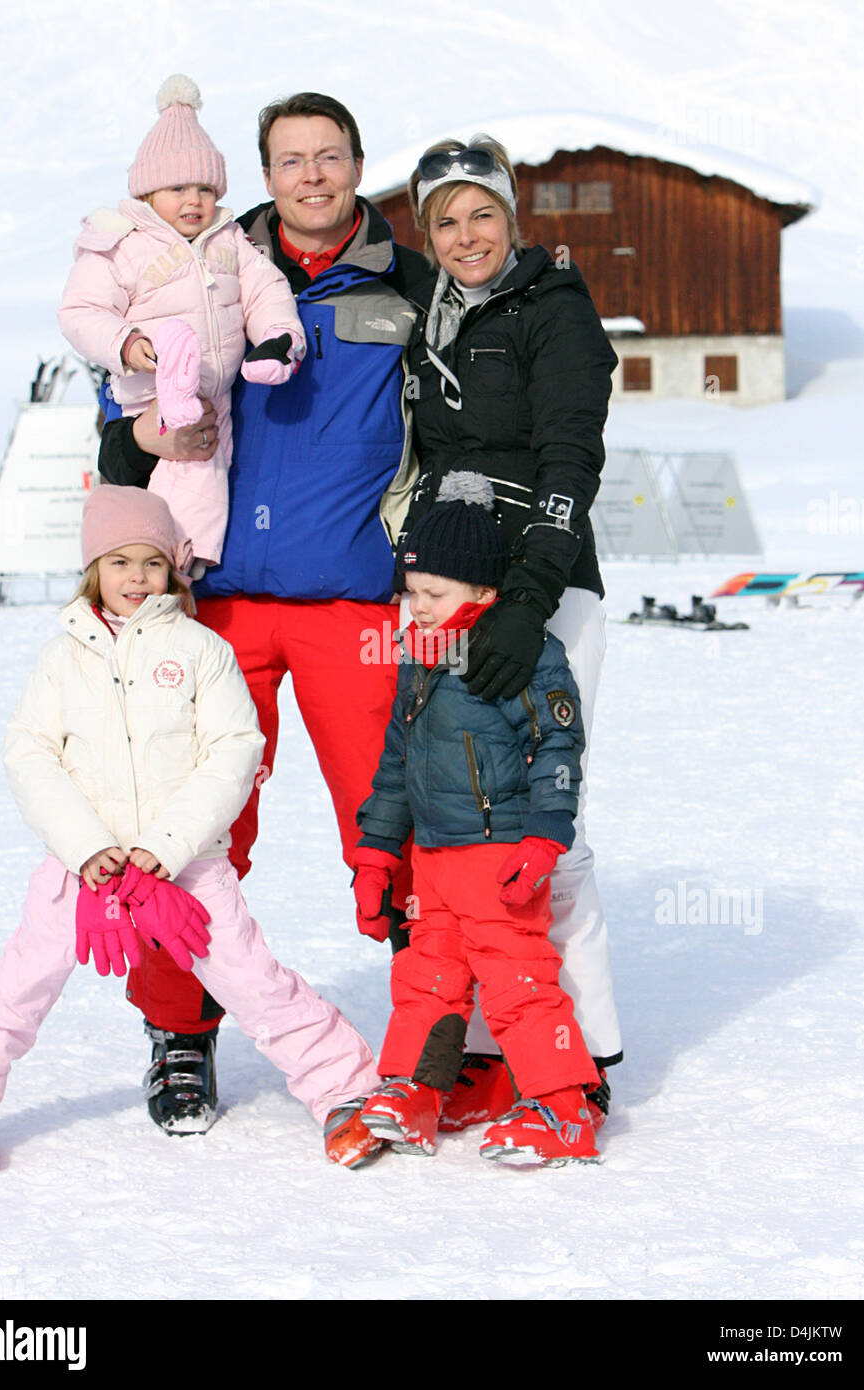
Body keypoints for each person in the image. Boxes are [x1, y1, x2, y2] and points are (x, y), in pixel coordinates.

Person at [96, 94, 429, 1134]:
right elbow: (119, 431)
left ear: (361, 166)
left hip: (353, 602)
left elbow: (462, 431)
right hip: (217, 601)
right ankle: (180, 1033)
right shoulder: (199, 262)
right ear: (264, 175)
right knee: (188, 825)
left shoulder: (410, 284)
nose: (314, 177)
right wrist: (145, 434)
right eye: (292, 160)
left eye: (332, 157)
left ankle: (433, 1030)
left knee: (395, 824)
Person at [0, 486, 384, 1176]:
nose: (136, 578)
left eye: (150, 561)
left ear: (172, 570)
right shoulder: (62, 660)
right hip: (80, 870)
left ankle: (344, 1091)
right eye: (119, 562)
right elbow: (30, 756)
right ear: (94, 570)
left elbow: (236, 750)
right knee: (22, 982)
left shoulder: (202, 649)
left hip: (186, 869)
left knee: (253, 980)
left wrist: (164, 848)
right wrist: (87, 849)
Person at [396, 136, 624, 1130]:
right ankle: (489, 1048)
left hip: (544, 589)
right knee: (460, 818)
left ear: (512, 218)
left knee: (537, 821)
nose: (464, 234)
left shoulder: (554, 310)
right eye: (444, 220)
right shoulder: (429, 319)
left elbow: (571, 456)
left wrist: (529, 601)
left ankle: (591, 1047)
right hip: (446, 586)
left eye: (480, 213)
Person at [353, 473, 601, 1166]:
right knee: (426, 976)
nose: (417, 607)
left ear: (484, 593)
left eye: (434, 594)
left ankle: (562, 1108)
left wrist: (546, 835)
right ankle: (413, 1090)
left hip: (498, 857)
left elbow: (558, 743)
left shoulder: (523, 656)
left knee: (518, 980)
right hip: (432, 860)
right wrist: (376, 854)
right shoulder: (418, 658)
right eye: (409, 593)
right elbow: (396, 762)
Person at [59, 75, 305, 569]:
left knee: (208, 482)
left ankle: (183, 567)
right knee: (178, 483)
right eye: (177, 188)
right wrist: (127, 343)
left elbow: (266, 291)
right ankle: (167, 568)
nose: (194, 201)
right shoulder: (122, 242)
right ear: (149, 193)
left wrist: (280, 339)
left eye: (205, 189)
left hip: (214, 393)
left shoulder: (228, 241)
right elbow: (80, 310)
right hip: (152, 387)